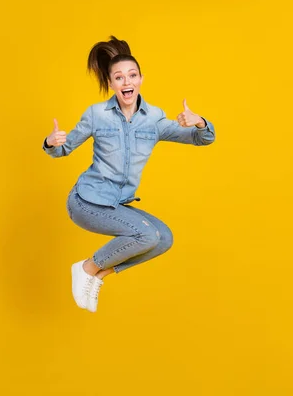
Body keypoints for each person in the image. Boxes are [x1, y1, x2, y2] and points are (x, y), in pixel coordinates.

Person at [42, 35, 215, 313]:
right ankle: (86, 267)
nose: (127, 82)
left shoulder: (154, 119)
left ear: (140, 80)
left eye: (132, 76)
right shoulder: (96, 114)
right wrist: (52, 143)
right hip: (86, 201)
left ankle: (99, 275)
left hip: (115, 204)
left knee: (164, 238)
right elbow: (65, 148)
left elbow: (202, 139)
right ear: (111, 84)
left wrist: (200, 123)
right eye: (119, 78)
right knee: (146, 237)